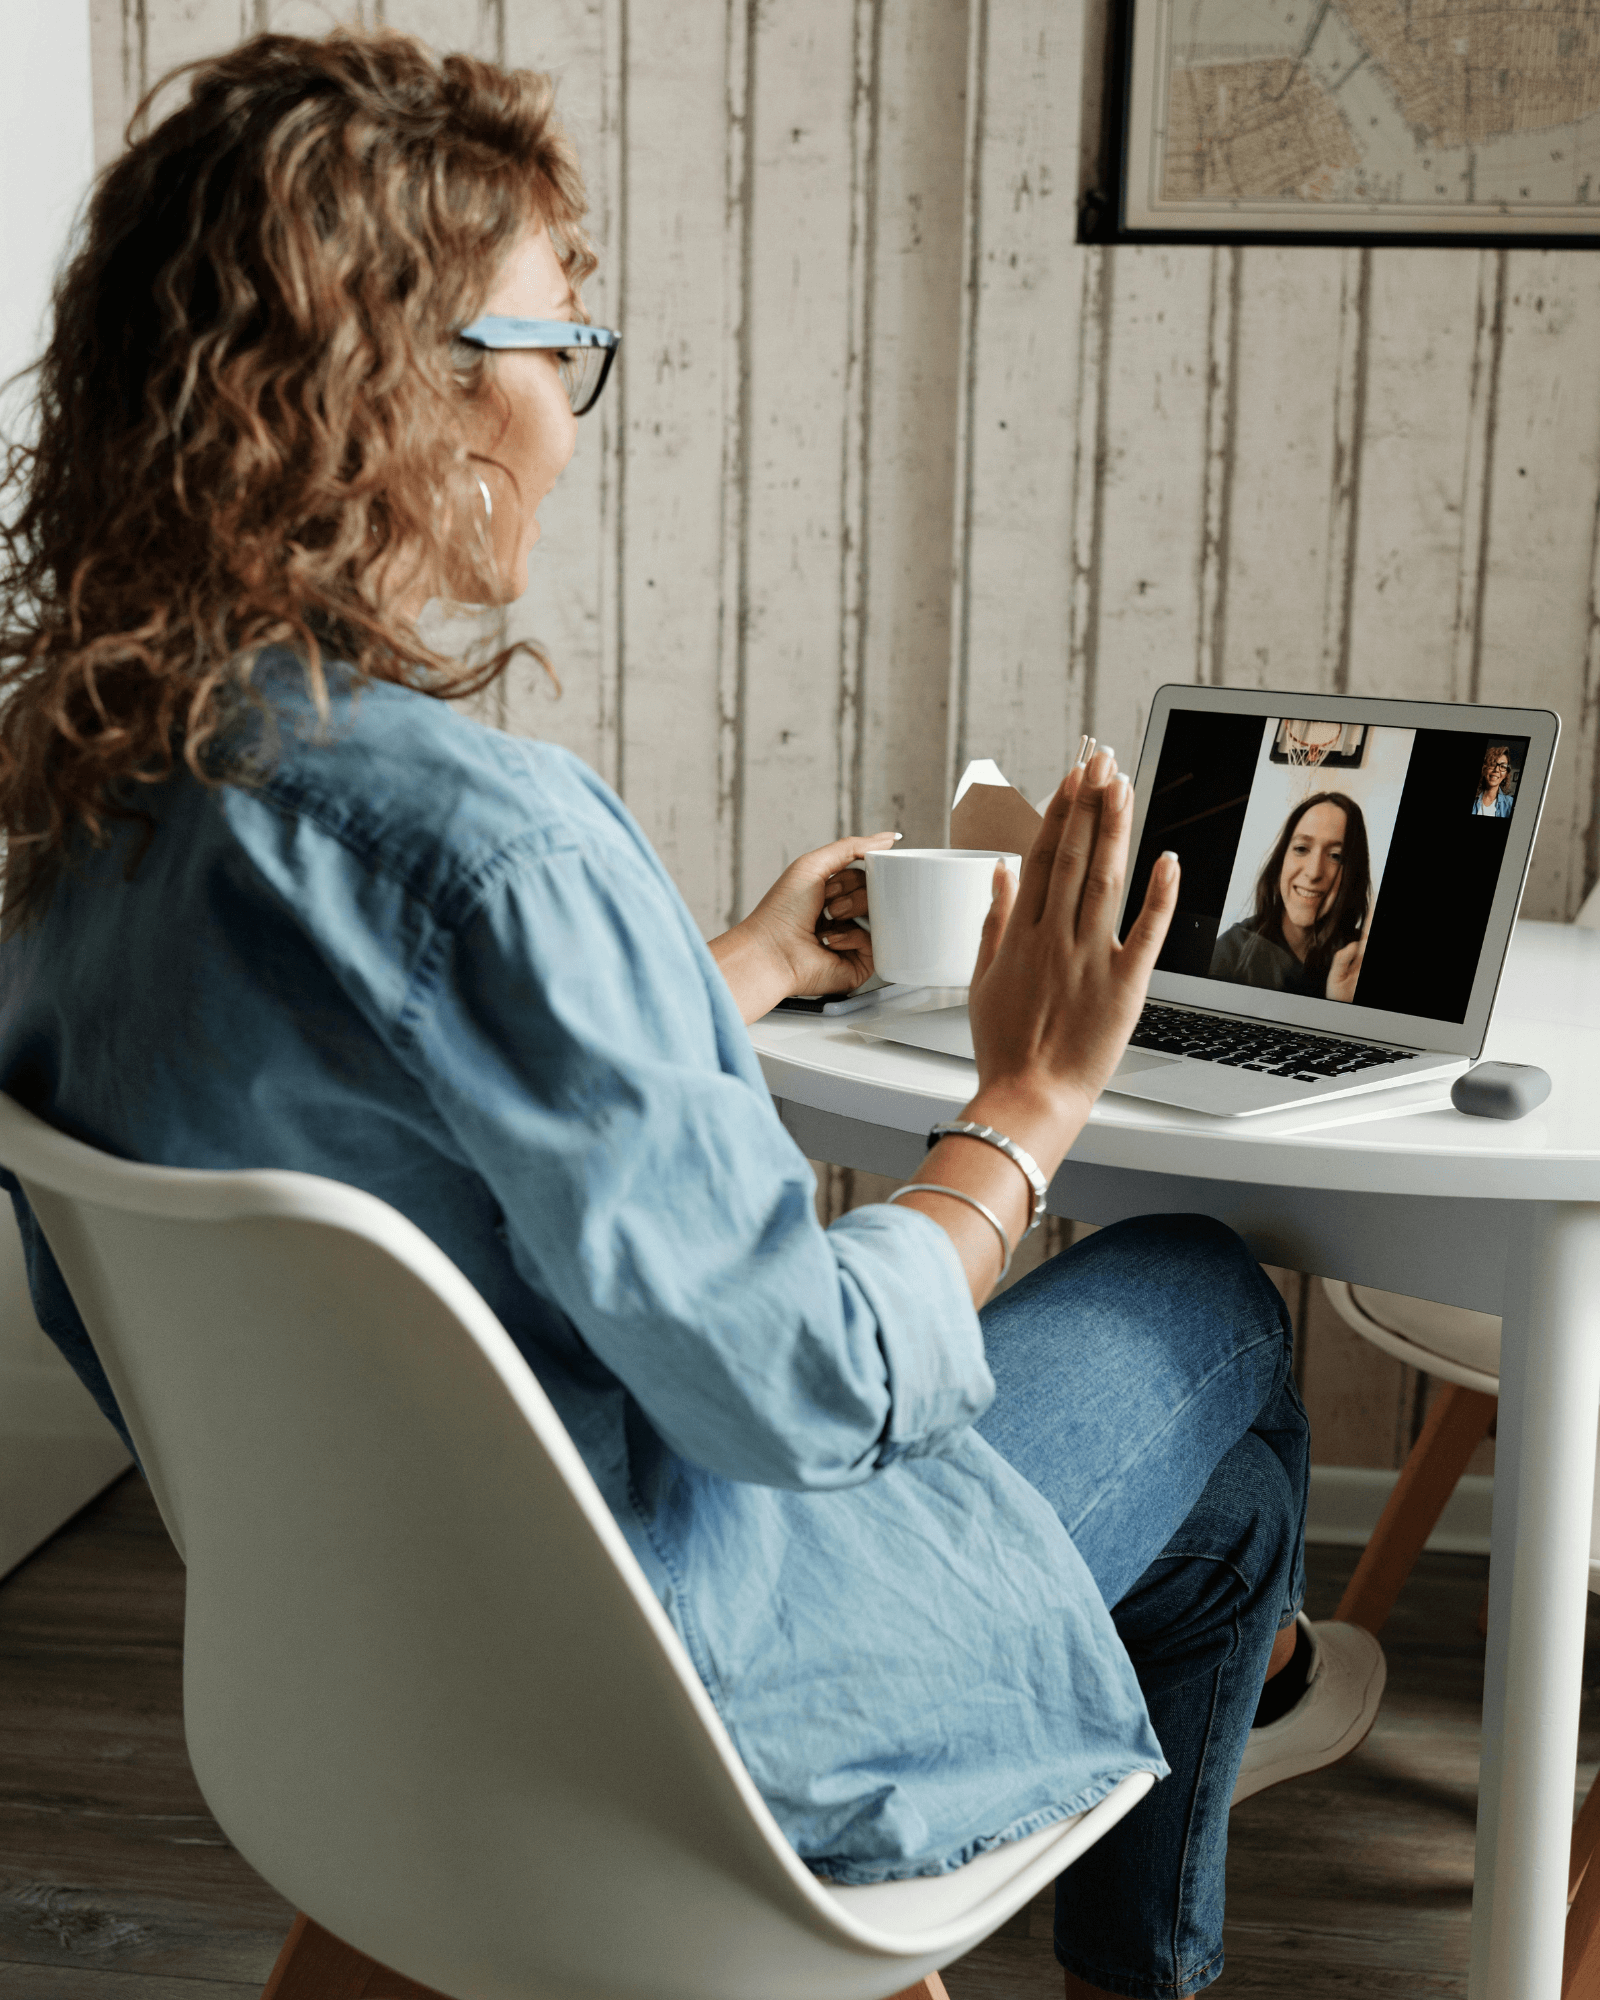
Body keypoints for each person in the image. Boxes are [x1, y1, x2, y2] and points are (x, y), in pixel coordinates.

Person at [0, 33, 1384, 1999]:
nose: (569, 420)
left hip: (365, 1714)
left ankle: (1208, 1671)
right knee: (1208, 1302)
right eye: (561, 344)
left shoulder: (89, 811)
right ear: (405, 385)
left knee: (1228, 1517)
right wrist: (1025, 1104)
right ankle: (1157, 1819)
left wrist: (721, 971)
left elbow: (373, 1127)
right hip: (703, 1707)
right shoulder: (498, 853)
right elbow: (796, 1391)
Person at [1209, 792, 1371, 1004]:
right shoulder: (1230, 952)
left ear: (1354, 874)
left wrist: (1343, 1007)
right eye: (1301, 849)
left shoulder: (1358, 961)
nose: (1314, 873)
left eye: (1335, 856)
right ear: (1280, 862)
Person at [1473, 744, 1515, 817]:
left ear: (1505, 774)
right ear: (1484, 769)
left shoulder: (1511, 804)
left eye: (1502, 766)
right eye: (1492, 764)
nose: (1496, 770)